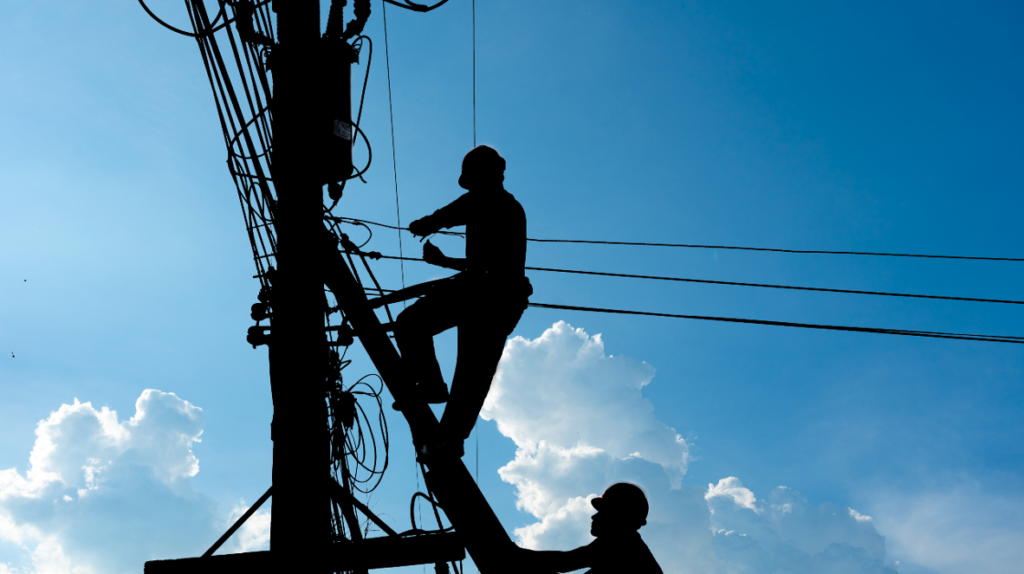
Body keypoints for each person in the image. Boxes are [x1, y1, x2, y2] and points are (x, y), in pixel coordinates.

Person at [393, 145, 531, 459]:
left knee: (472, 369)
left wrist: (427, 223)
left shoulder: (496, 202)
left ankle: (449, 434)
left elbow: (455, 214)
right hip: (482, 292)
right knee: (415, 327)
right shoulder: (492, 204)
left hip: (492, 299)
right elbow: (485, 263)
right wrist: (443, 262)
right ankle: (433, 392)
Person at [517, 483, 664, 574]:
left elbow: (563, 562)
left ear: (620, 517)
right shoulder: (627, 546)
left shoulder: (622, 544)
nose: (594, 517)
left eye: (604, 512)